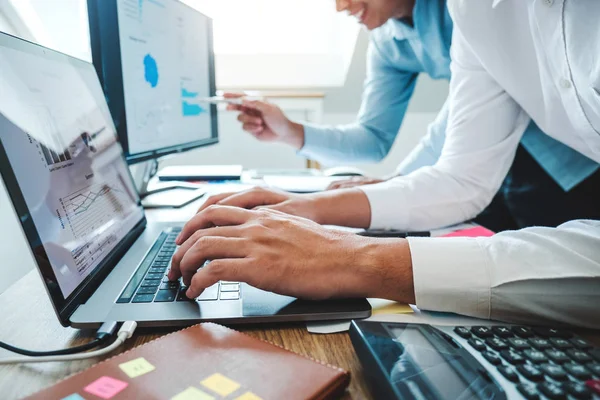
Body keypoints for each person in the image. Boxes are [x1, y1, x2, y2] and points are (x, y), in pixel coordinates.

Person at [168, 0, 600, 328]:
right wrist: (304, 203)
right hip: (492, 173)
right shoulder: (469, 13)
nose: (341, 6)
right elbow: (456, 173)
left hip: (564, 172)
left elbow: (444, 136)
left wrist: (355, 257)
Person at [226, 0, 599, 231]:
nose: (340, 6)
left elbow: (458, 117)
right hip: (480, 164)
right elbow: (374, 138)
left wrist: (398, 180)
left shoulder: (465, 10)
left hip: (563, 164)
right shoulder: (388, 43)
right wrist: (291, 132)